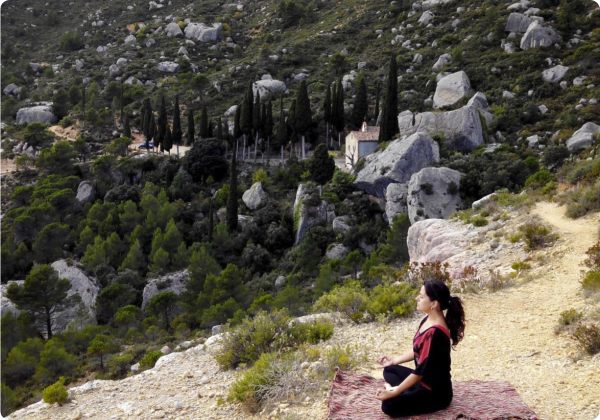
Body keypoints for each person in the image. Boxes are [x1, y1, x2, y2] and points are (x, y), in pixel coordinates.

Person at [375, 280, 465, 418]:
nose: (417, 298)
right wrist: (393, 361)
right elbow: (418, 350)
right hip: (421, 382)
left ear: (434, 304)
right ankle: (404, 390)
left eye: (422, 296)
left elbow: (420, 371)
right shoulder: (427, 320)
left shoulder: (436, 332)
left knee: (388, 406)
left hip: (435, 393)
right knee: (389, 370)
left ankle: (397, 390)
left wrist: (395, 392)